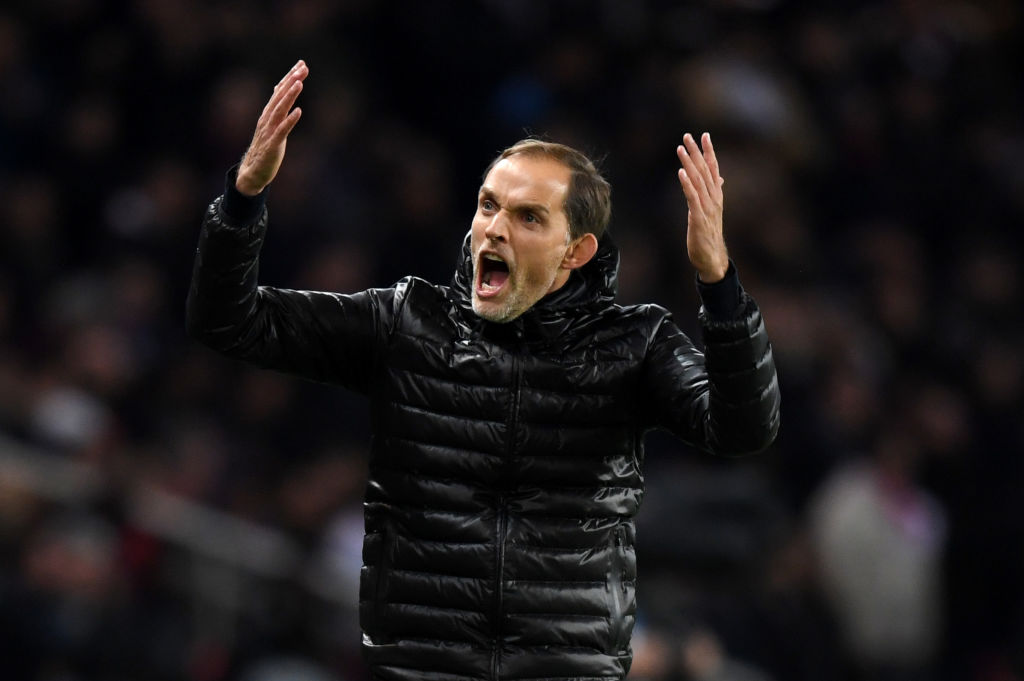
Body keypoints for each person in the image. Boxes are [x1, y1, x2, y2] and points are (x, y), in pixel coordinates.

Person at [187, 59, 780, 681]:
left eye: (528, 217)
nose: (495, 229)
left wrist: (718, 283)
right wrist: (243, 198)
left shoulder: (636, 344)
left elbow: (744, 428)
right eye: (488, 206)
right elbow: (227, 322)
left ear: (576, 251)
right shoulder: (407, 323)